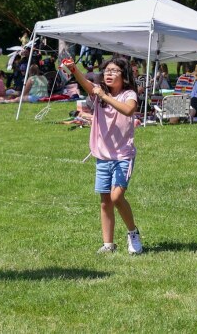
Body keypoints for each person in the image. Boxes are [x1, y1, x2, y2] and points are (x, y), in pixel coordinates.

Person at [64, 56, 143, 255]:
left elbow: (129, 110)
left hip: (123, 155)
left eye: (114, 71)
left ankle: (133, 232)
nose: (108, 74)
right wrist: (73, 69)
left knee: (117, 197)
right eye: (106, 71)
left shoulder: (128, 94)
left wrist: (104, 96)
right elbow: (86, 83)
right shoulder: (98, 93)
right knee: (105, 200)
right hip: (103, 156)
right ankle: (108, 244)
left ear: (124, 76)